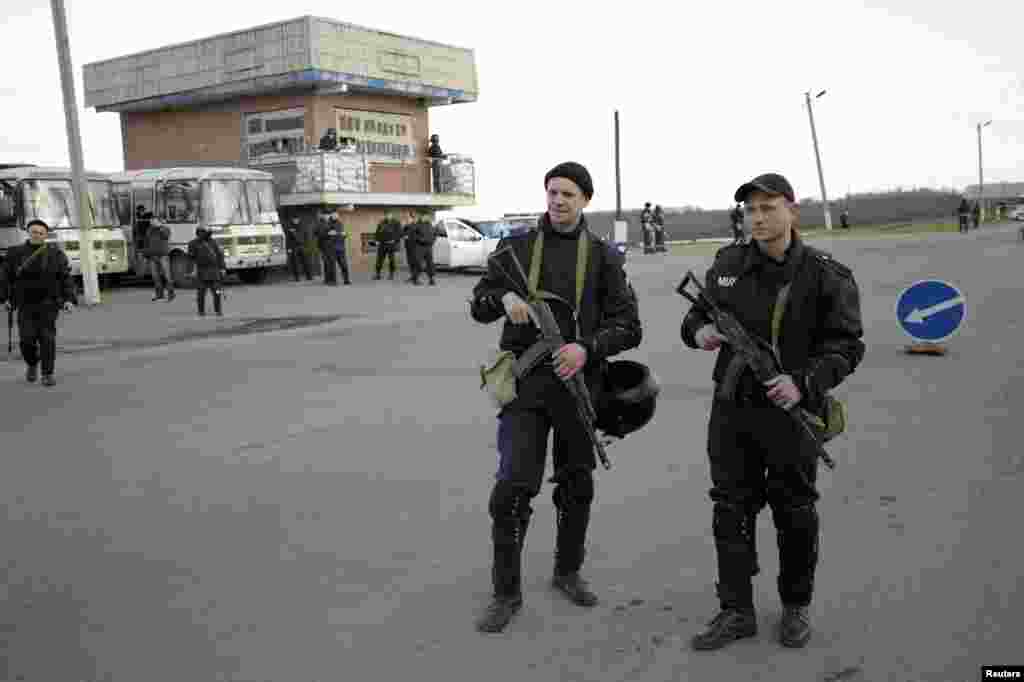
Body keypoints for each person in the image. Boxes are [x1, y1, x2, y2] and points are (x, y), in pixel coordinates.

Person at [679, 173, 864, 650]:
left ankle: (796, 606)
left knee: (795, 511)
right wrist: (699, 334)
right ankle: (735, 609)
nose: (758, 218)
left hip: (791, 414)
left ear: (791, 210)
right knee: (729, 508)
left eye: (768, 208)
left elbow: (847, 346)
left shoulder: (826, 274)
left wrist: (803, 382)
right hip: (732, 410)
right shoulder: (727, 264)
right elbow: (695, 317)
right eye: (751, 210)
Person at [468, 161, 642, 633]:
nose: (558, 200)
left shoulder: (605, 257)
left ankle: (568, 571)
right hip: (524, 390)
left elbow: (629, 327)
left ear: (585, 200)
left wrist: (587, 348)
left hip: (579, 391)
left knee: (576, 485)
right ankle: (506, 592)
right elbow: (479, 303)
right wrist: (502, 300)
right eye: (552, 192)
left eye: (568, 193)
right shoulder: (516, 249)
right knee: (511, 490)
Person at [0, 219, 77, 386]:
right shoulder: (15, 253)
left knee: (47, 339)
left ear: (45, 235)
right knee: (26, 340)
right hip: (25, 304)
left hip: (48, 304)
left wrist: (69, 299)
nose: (37, 235)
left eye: (41, 233)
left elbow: (65, 278)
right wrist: (5, 298)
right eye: (34, 232)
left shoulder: (55, 254)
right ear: (28, 233)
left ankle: (47, 374)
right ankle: (32, 363)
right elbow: (5, 277)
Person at [187, 226, 227, 317]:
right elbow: (190, 259)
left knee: (217, 292)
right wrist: (190, 271)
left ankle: (218, 311)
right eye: (204, 232)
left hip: (214, 271)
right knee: (201, 294)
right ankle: (201, 311)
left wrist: (223, 268)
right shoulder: (193, 244)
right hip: (202, 272)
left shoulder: (214, 243)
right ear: (198, 233)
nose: (207, 234)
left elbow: (220, 256)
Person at [315, 210, 350, 286]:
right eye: (333, 214)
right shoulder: (326, 224)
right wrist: (328, 234)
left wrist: (345, 235)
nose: (335, 216)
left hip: (340, 247)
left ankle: (346, 280)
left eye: (336, 214)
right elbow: (320, 234)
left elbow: (342, 233)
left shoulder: (340, 223)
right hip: (331, 248)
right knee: (331, 265)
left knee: (344, 264)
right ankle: (333, 281)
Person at [145, 216, 175, 301]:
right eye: (151, 221)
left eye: (153, 221)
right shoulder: (149, 230)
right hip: (152, 256)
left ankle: (171, 293)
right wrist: (147, 253)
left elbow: (166, 236)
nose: (151, 222)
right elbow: (147, 241)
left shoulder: (165, 229)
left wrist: (160, 227)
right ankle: (159, 294)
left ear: (158, 221)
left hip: (163, 255)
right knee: (155, 276)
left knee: (167, 275)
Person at [412, 209, 438, 286]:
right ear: (422, 217)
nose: (427, 218)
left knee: (430, 264)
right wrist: (421, 240)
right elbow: (413, 236)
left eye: (428, 216)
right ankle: (415, 279)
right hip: (420, 247)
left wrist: (432, 241)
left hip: (428, 247)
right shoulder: (417, 225)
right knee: (418, 263)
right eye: (426, 216)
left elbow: (435, 234)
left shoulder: (430, 225)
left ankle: (431, 279)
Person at [374, 212, 403, 280]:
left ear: (392, 215)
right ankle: (378, 274)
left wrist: (395, 240)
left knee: (391, 260)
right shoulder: (381, 222)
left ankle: (391, 275)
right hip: (382, 244)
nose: (388, 216)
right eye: (387, 215)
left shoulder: (396, 223)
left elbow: (400, 233)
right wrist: (376, 240)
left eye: (389, 215)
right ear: (385, 215)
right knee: (379, 260)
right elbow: (377, 232)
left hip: (391, 245)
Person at [285, 216, 314, 282]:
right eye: (294, 219)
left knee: (306, 262)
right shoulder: (290, 227)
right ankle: (297, 277)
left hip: (302, 246)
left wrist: (307, 246)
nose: (295, 221)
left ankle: (309, 276)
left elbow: (306, 236)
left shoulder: (302, 226)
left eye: (297, 219)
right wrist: (289, 248)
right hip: (294, 247)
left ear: (299, 219)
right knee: (295, 263)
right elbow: (288, 239)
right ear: (292, 220)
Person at [402, 212, 421, 284]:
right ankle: (412, 276)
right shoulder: (406, 226)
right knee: (410, 263)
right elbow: (402, 234)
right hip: (408, 247)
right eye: (406, 218)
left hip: (415, 247)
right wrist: (404, 235)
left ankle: (416, 279)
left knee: (416, 263)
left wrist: (410, 237)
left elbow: (420, 236)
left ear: (412, 218)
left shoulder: (416, 226)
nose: (407, 219)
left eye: (409, 218)